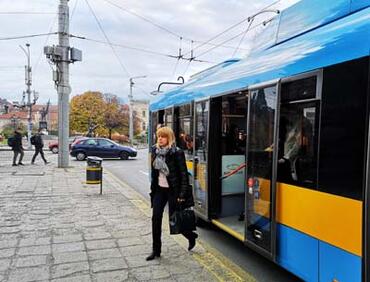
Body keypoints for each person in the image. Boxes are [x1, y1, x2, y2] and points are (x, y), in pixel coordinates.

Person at [147, 126, 198, 261]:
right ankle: (156, 250)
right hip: (159, 190)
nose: (160, 139)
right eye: (159, 136)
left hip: (173, 191)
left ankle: (190, 236)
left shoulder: (177, 152)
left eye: (163, 136)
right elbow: (154, 173)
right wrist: (152, 190)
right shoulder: (155, 150)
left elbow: (183, 175)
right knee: (155, 218)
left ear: (169, 138)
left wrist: (181, 195)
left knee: (175, 219)